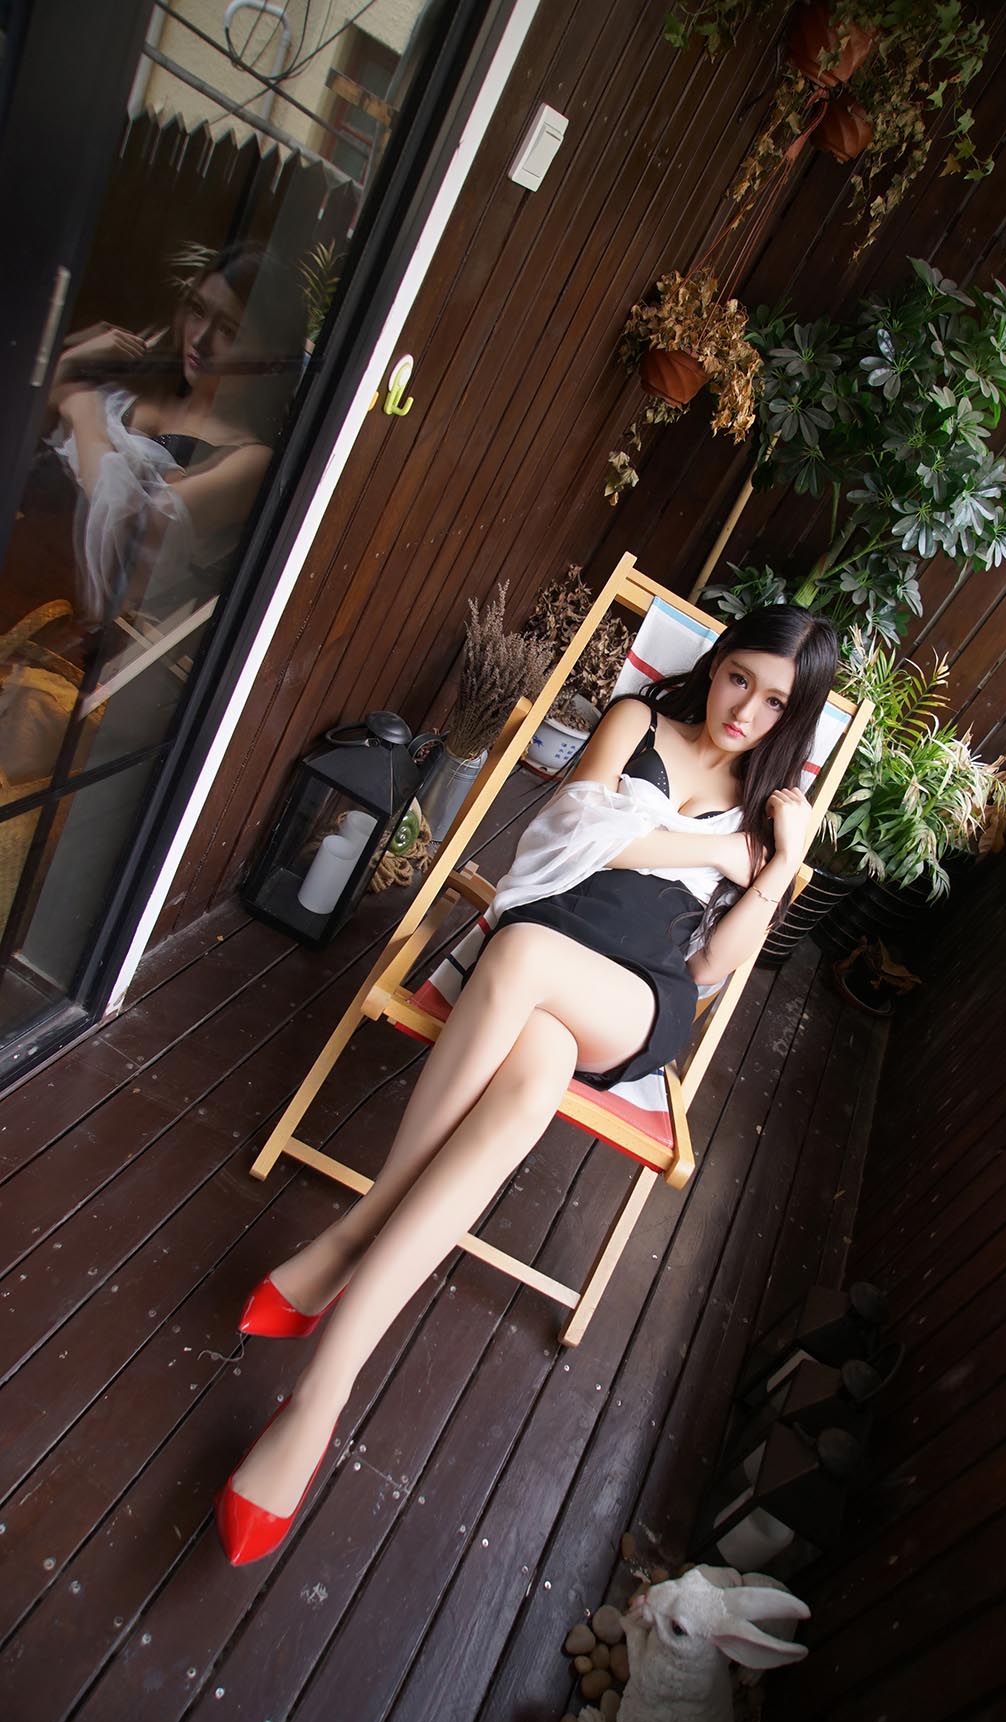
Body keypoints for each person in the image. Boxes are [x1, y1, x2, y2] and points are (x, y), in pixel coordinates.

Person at [215, 604, 840, 1564]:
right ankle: (317, 1403)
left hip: (635, 997)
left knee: (522, 960)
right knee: (529, 1078)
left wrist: (776, 863)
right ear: (716, 666)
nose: (744, 711)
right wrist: (717, 850)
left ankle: (356, 1230)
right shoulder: (637, 721)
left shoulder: (766, 816)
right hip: (544, 948)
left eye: (774, 704)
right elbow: (576, 830)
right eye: (738, 679)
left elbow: (713, 969)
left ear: (794, 719)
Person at [45, 241, 307, 627]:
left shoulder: (250, 459)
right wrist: (72, 361)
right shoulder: (142, 373)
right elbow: (31, 416)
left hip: (64, 620)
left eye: (229, 331)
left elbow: (127, 536)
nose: (200, 338)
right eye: (198, 311)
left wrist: (83, 410)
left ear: (269, 361)